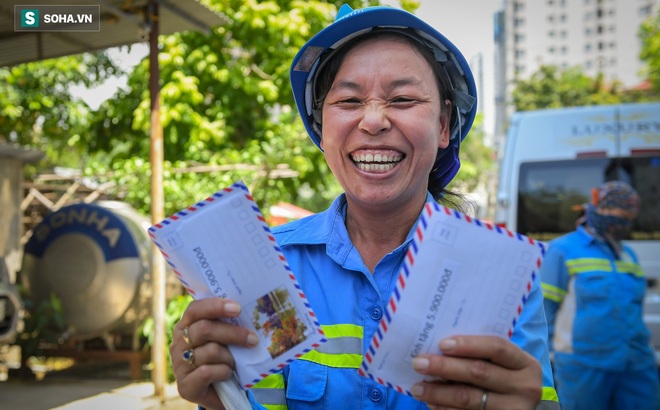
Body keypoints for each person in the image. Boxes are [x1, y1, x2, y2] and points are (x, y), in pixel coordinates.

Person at [170, 4, 560, 409]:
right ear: (322, 127)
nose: (373, 120)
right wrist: (218, 398)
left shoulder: (499, 276)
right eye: (350, 101)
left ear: (444, 125)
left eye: (403, 98)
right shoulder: (271, 266)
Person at [540, 180, 660, 410]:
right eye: (616, 215)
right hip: (584, 368)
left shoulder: (628, 254)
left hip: (636, 365)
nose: (621, 223)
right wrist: (553, 359)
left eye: (628, 217)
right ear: (598, 210)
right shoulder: (562, 250)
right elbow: (546, 310)